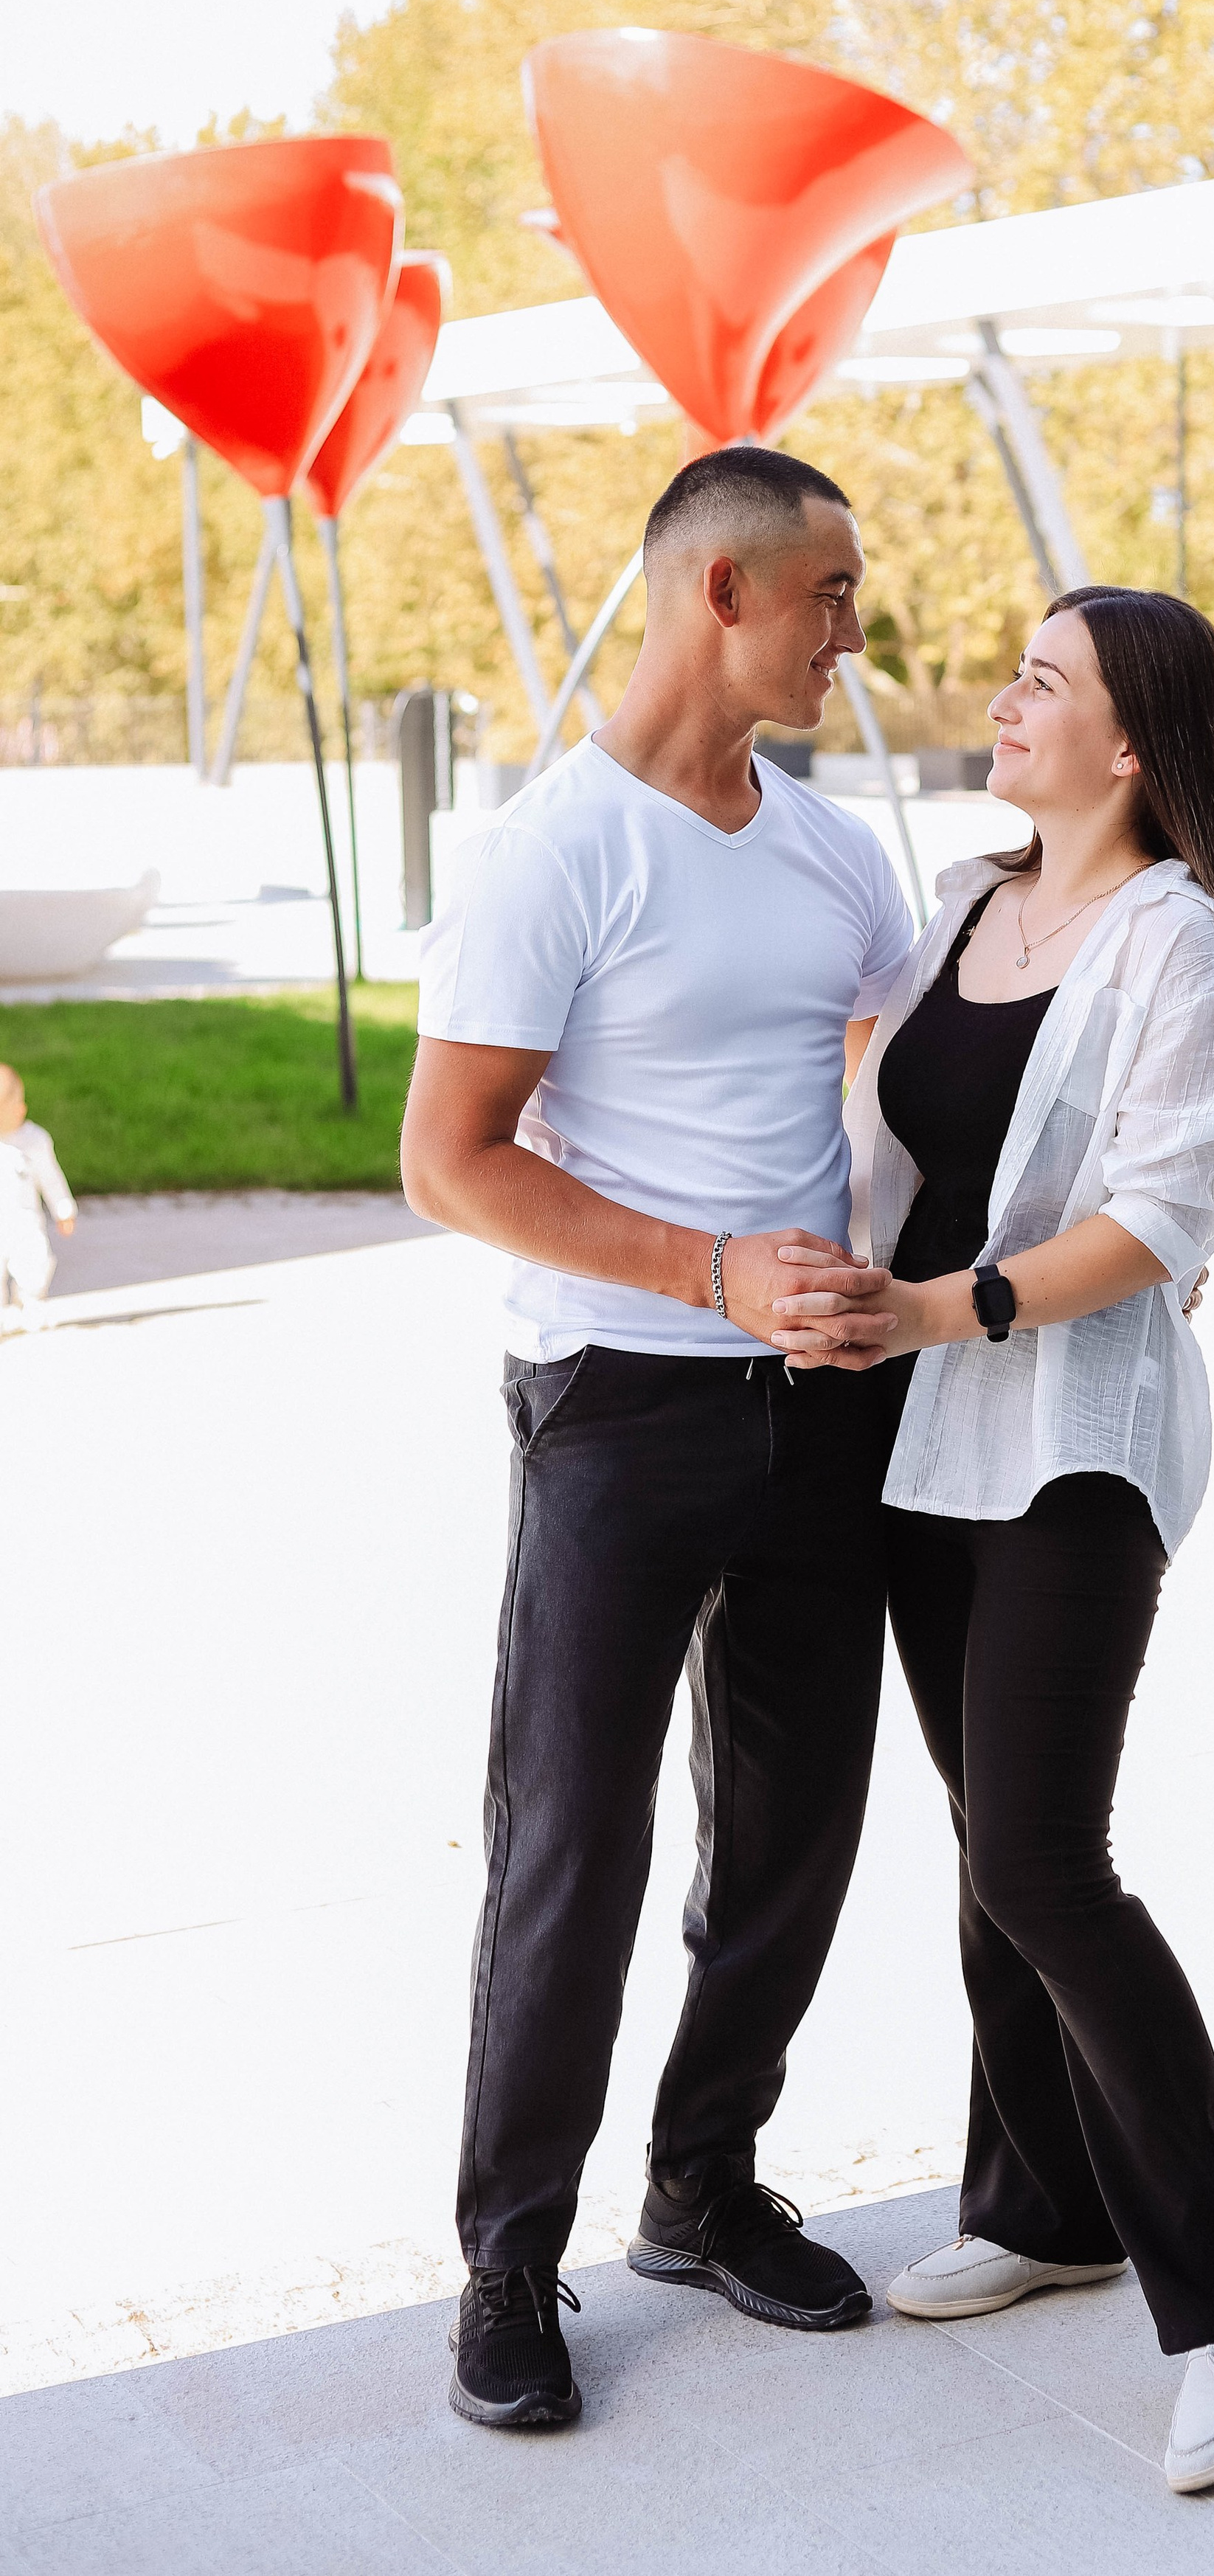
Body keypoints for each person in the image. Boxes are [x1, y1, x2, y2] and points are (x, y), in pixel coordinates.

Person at [770, 586, 1214, 2496]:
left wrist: (945, 1311)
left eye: (1045, 682)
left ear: (1129, 747)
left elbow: (1165, 1221)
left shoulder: (1172, 942)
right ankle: (1048, 2202)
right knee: (987, 1846)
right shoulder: (964, 905)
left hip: (1071, 1445)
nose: (1002, 700)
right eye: (1013, 669)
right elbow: (899, 1140)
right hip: (916, 1440)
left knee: (1042, 1853)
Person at [401, 446, 918, 2430]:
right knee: (574, 1848)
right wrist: (711, 1276)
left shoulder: (830, 849)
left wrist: (970, 1254)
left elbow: (895, 1068)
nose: (853, 637)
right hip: (618, 1408)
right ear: (723, 593)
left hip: (820, 1405)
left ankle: (702, 2187)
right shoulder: (558, 853)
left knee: (792, 1837)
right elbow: (448, 1163)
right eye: (834, 596)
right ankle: (508, 2264)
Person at [0, 1063, 76, 1336]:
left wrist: (63, 1209)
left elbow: (51, 1178)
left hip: (24, 1219)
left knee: (33, 1262)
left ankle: (31, 1301)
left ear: (20, 1108)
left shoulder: (34, 1140)